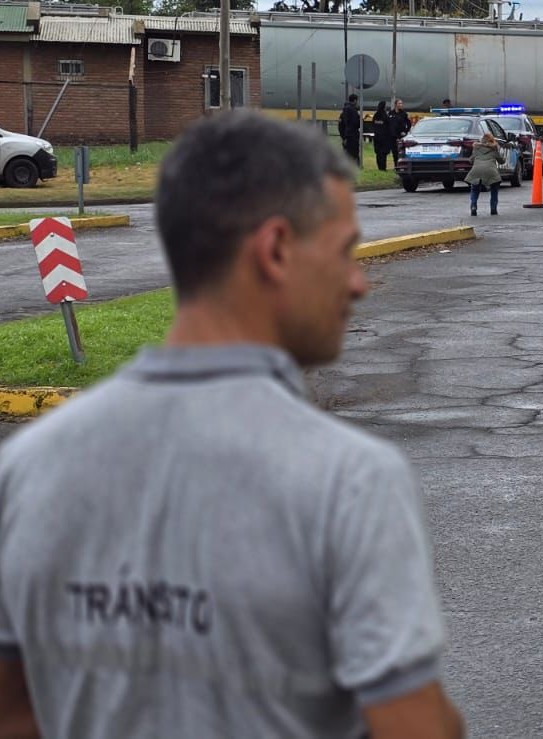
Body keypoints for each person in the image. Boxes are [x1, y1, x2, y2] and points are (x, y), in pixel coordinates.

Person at [0, 111, 464, 739]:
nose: (358, 283)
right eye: (342, 251)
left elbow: (15, 713)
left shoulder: (27, 468)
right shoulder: (348, 480)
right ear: (275, 250)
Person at [466, 130, 505, 216]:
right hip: (491, 171)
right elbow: (501, 161)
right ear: (491, 140)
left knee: (475, 188)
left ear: (482, 140)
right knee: (494, 188)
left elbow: (471, 160)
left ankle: (473, 205)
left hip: (476, 170)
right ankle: (493, 208)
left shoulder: (476, 147)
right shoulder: (494, 148)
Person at [338, 93, 361, 164]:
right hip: (353, 135)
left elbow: (341, 126)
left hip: (346, 135)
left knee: (347, 153)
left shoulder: (344, 112)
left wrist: (343, 137)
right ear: (355, 101)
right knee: (354, 153)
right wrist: (360, 121)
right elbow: (355, 123)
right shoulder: (353, 111)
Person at [388, 98, 412, 168]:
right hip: (392, 136)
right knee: (394, 152)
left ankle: (401, 166)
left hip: (400, 136)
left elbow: (409, 124)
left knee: (400, 151)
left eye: (401, 103)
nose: (401, 105)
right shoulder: (391, 113)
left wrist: (405, 131)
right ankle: (396, 165)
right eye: (399, 103)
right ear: (396, 104)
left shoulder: (404, 114)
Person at [372, 100, 394, 171]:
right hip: (384, 138)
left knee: (378, 153)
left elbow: (373, 125)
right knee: (383, 153)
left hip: (377, 137)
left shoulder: (376, 115)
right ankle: (383, 168)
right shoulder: (385, 116)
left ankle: (379, 167)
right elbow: (389, 126)